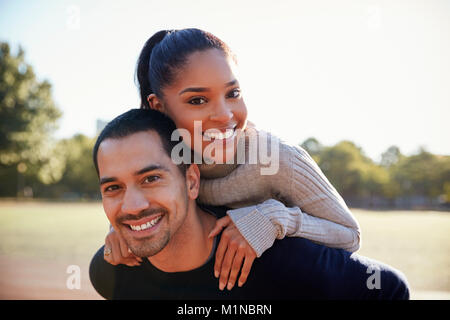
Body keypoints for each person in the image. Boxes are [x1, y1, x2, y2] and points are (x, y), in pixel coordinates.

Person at [104, 28, 362, 291]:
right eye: (198, 100)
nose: (224, 115)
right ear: (158, 106)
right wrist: (126, 231)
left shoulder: (277, 158)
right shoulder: (159, 163)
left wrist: (273, 219)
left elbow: (350, 234)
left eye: (233, 94)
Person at [89, 108, 409, 300]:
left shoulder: (277, 260)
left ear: (191, 181)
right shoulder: (111, 273)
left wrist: (274, 220)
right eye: (113, 188)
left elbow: (390, 290)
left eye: (150, 179)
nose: (131, 205)